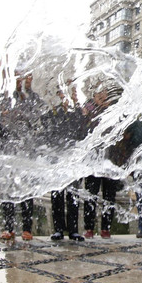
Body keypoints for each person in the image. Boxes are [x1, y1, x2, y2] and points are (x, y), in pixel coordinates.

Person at [0, 72, 40, 241]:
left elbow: (39, 120)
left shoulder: (34, 98)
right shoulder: (7, 97)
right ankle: (8, 227)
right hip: (9, 149)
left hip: (26, 150)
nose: (25, 80)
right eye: (21, 77)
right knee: (9, 189)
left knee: (27, 189)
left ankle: (27, 228)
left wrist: (26, 117)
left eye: (29, 77)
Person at [45, 85, 87, 242]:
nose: (66, 98)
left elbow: (83, 132)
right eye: (63, 94)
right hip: (57, 159)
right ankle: (58, 230)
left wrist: (79, 108)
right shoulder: (53, 113)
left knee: (73, 196)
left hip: (73, 160)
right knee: (57, 196)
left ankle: (74, 230)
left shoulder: (77, 113)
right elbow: (48, 134)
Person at [82, 85, 123, 239]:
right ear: (94, 96)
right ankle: (89, 228)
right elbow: (83, 131)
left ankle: (106, 227)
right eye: (100, 95)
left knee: (109, 195)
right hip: (93, 161)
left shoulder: (114, 110)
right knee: (91, 194)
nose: (103, 98)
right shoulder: (88, 111)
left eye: (105, 94)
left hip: (110, 160)